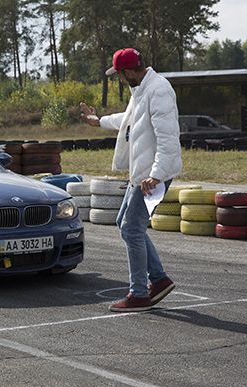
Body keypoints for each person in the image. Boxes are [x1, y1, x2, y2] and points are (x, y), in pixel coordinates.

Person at [80, 48, 182, 312]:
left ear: (127, 72)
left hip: (152, 176)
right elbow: (127, 120)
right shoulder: (142, 90)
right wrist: (98, 121)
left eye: (120, 75)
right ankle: (159, 280)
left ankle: (139, 294)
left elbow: (169, 138)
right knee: (123, 223)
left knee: (132, 229)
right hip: (141, 175)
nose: (120, 79)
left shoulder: (158, 90)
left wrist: (156, 175)